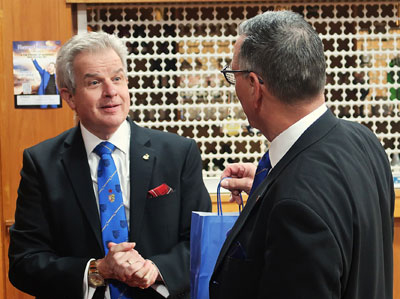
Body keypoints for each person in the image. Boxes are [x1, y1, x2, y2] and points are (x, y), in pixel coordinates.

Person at [9, 32, 211, 299]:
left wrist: (156, 269)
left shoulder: (179, 153)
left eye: (117, 78)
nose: (111, 91)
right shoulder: (42, 163)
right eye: (95, 82)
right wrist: (98, 270)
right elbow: (25, 262)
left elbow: (202, 242)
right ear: (70, 97)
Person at [210, 11, 394, 299]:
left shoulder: (293, 205)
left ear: (255, 87)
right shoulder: (363, 139)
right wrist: (269, 185)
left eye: (233, 75)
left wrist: (283, 191)